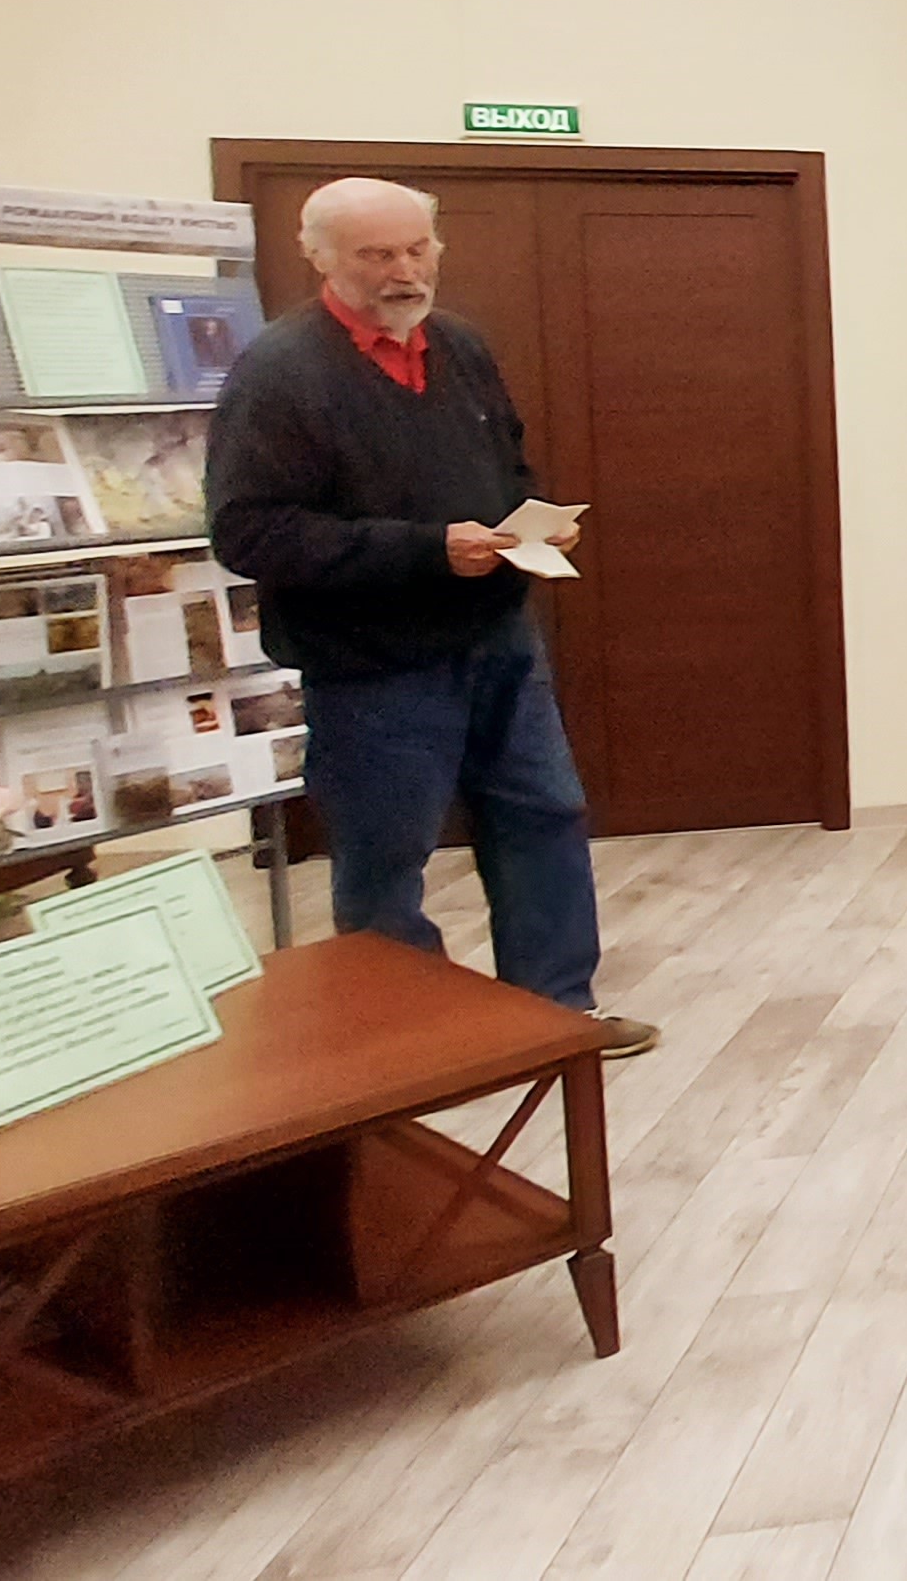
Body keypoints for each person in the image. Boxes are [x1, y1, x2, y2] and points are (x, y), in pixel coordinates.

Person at [207, 177, 658, 1056]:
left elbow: (507, 467)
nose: (404, 271)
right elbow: (250, 532)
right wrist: (425, 551)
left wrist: (532, 522)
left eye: (418, 249)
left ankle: (557, 1014)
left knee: (543, 818)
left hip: (498, 639)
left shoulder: (458, 345)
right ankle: (409, 1047)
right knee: (386, 859)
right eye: (378, 254)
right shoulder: (279, 373)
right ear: (320, 258)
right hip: (372, 665)